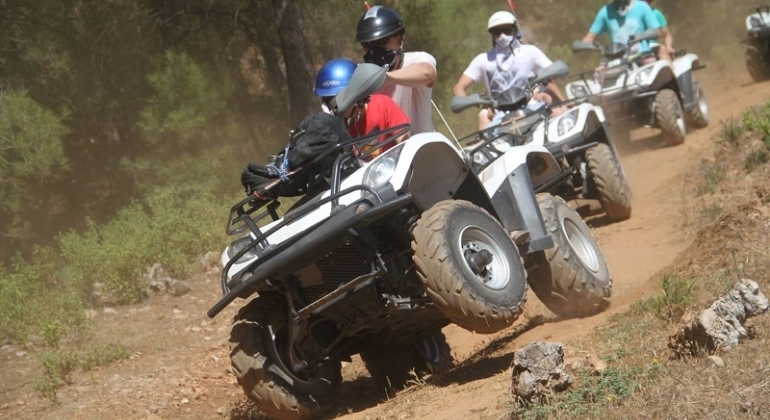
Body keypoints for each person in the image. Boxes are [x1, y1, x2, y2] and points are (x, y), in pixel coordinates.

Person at [453, 11, 566, 130]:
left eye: (507, 30)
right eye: (497, 32)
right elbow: (458, 87)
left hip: (534, 108)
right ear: (492, 34)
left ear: (515, 30)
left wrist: (545, 91)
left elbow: (552, 74)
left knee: (559, 116)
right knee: (483, 130)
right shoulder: (482, 60)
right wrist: (482, 105)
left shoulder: (530, 52)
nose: (502, 36)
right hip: (500, 118)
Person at [355, 5, 437, 134]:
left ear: (399, 41)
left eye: (382, 42)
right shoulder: (359, 75)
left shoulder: (416, 59)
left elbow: (428, 74)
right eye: (368, 44)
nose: (374, 50)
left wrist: (387, 78)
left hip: (421, 146)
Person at [314, 58, 410, 159]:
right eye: (327, 100)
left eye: (334, 100)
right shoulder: (335, 126)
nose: (332, 106)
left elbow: (405, 144)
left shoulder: (382, 104)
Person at [582, 0, 661, 63]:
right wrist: (583, 45)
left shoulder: (642, 6)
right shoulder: (605, 12)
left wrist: (640, 36)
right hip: (616, 59)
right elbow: (590, 37)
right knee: (598, 73)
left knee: (651, 62)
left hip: (642, 55)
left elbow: (657, 31)